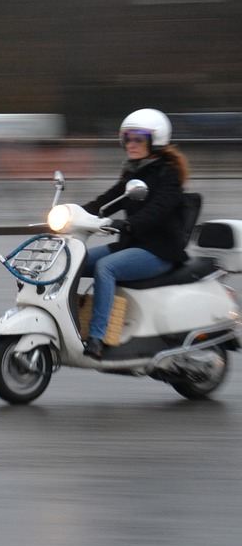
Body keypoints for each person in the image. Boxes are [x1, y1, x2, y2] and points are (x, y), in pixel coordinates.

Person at [79, 108, 191, 359]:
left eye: (138, 138)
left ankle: (97, 336)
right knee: (72, 261)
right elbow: (107, 200)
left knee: (106, 268)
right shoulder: (133, 172)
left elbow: (159, 208)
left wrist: (129, 225)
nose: (130, 143)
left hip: (159, 251)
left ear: (156, 140)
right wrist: (73, 213)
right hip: (132, 245)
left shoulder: (168, 174)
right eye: (127, 138)